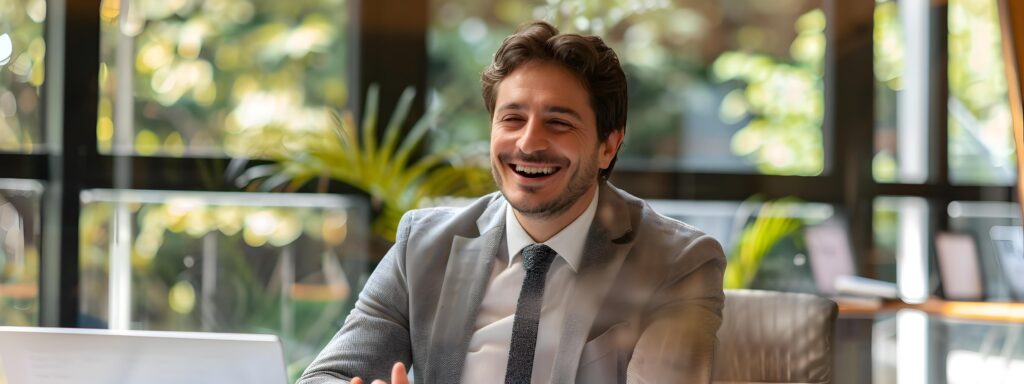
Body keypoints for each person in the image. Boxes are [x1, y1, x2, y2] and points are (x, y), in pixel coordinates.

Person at [298, 20, 725, 384]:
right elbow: (327, 375)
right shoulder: (423, 245)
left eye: (558, 123)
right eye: (513, 118)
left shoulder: (678, 262)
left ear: (607, 147)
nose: (528, 142)